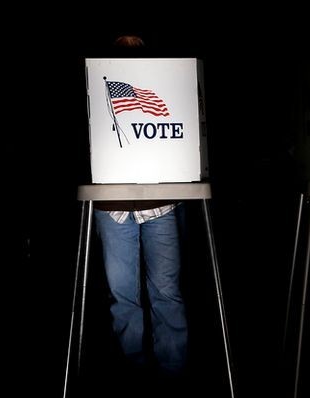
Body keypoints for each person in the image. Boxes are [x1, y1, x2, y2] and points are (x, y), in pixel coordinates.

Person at [94, 35, 187, 376]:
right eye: (121, 41)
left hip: (160, 201)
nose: (128, 45)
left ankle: (173, 371)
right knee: (122, 296)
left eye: (136, 41)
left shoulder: (161, 79)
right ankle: (132, 373)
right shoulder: (98, 78)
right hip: (112, 205)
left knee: (166, 292)